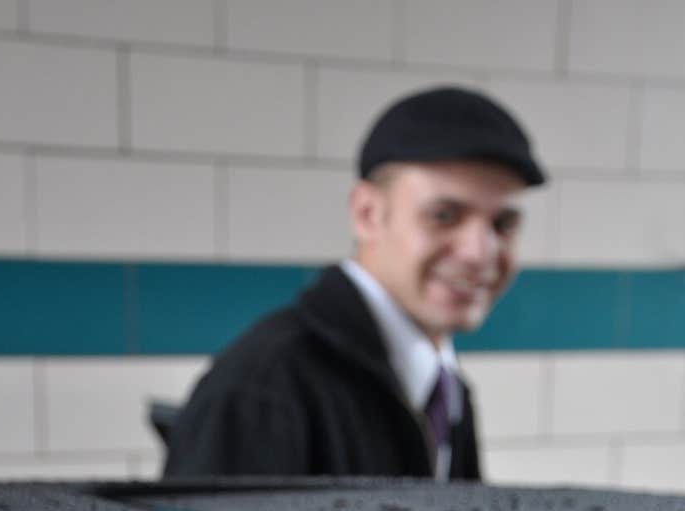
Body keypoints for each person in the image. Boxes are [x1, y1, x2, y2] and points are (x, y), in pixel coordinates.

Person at [163, 86, 546, 482]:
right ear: (367, 214)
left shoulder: (446, 389)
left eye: (504, 224)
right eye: (444, 215)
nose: (479, 252)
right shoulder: (262, 390)